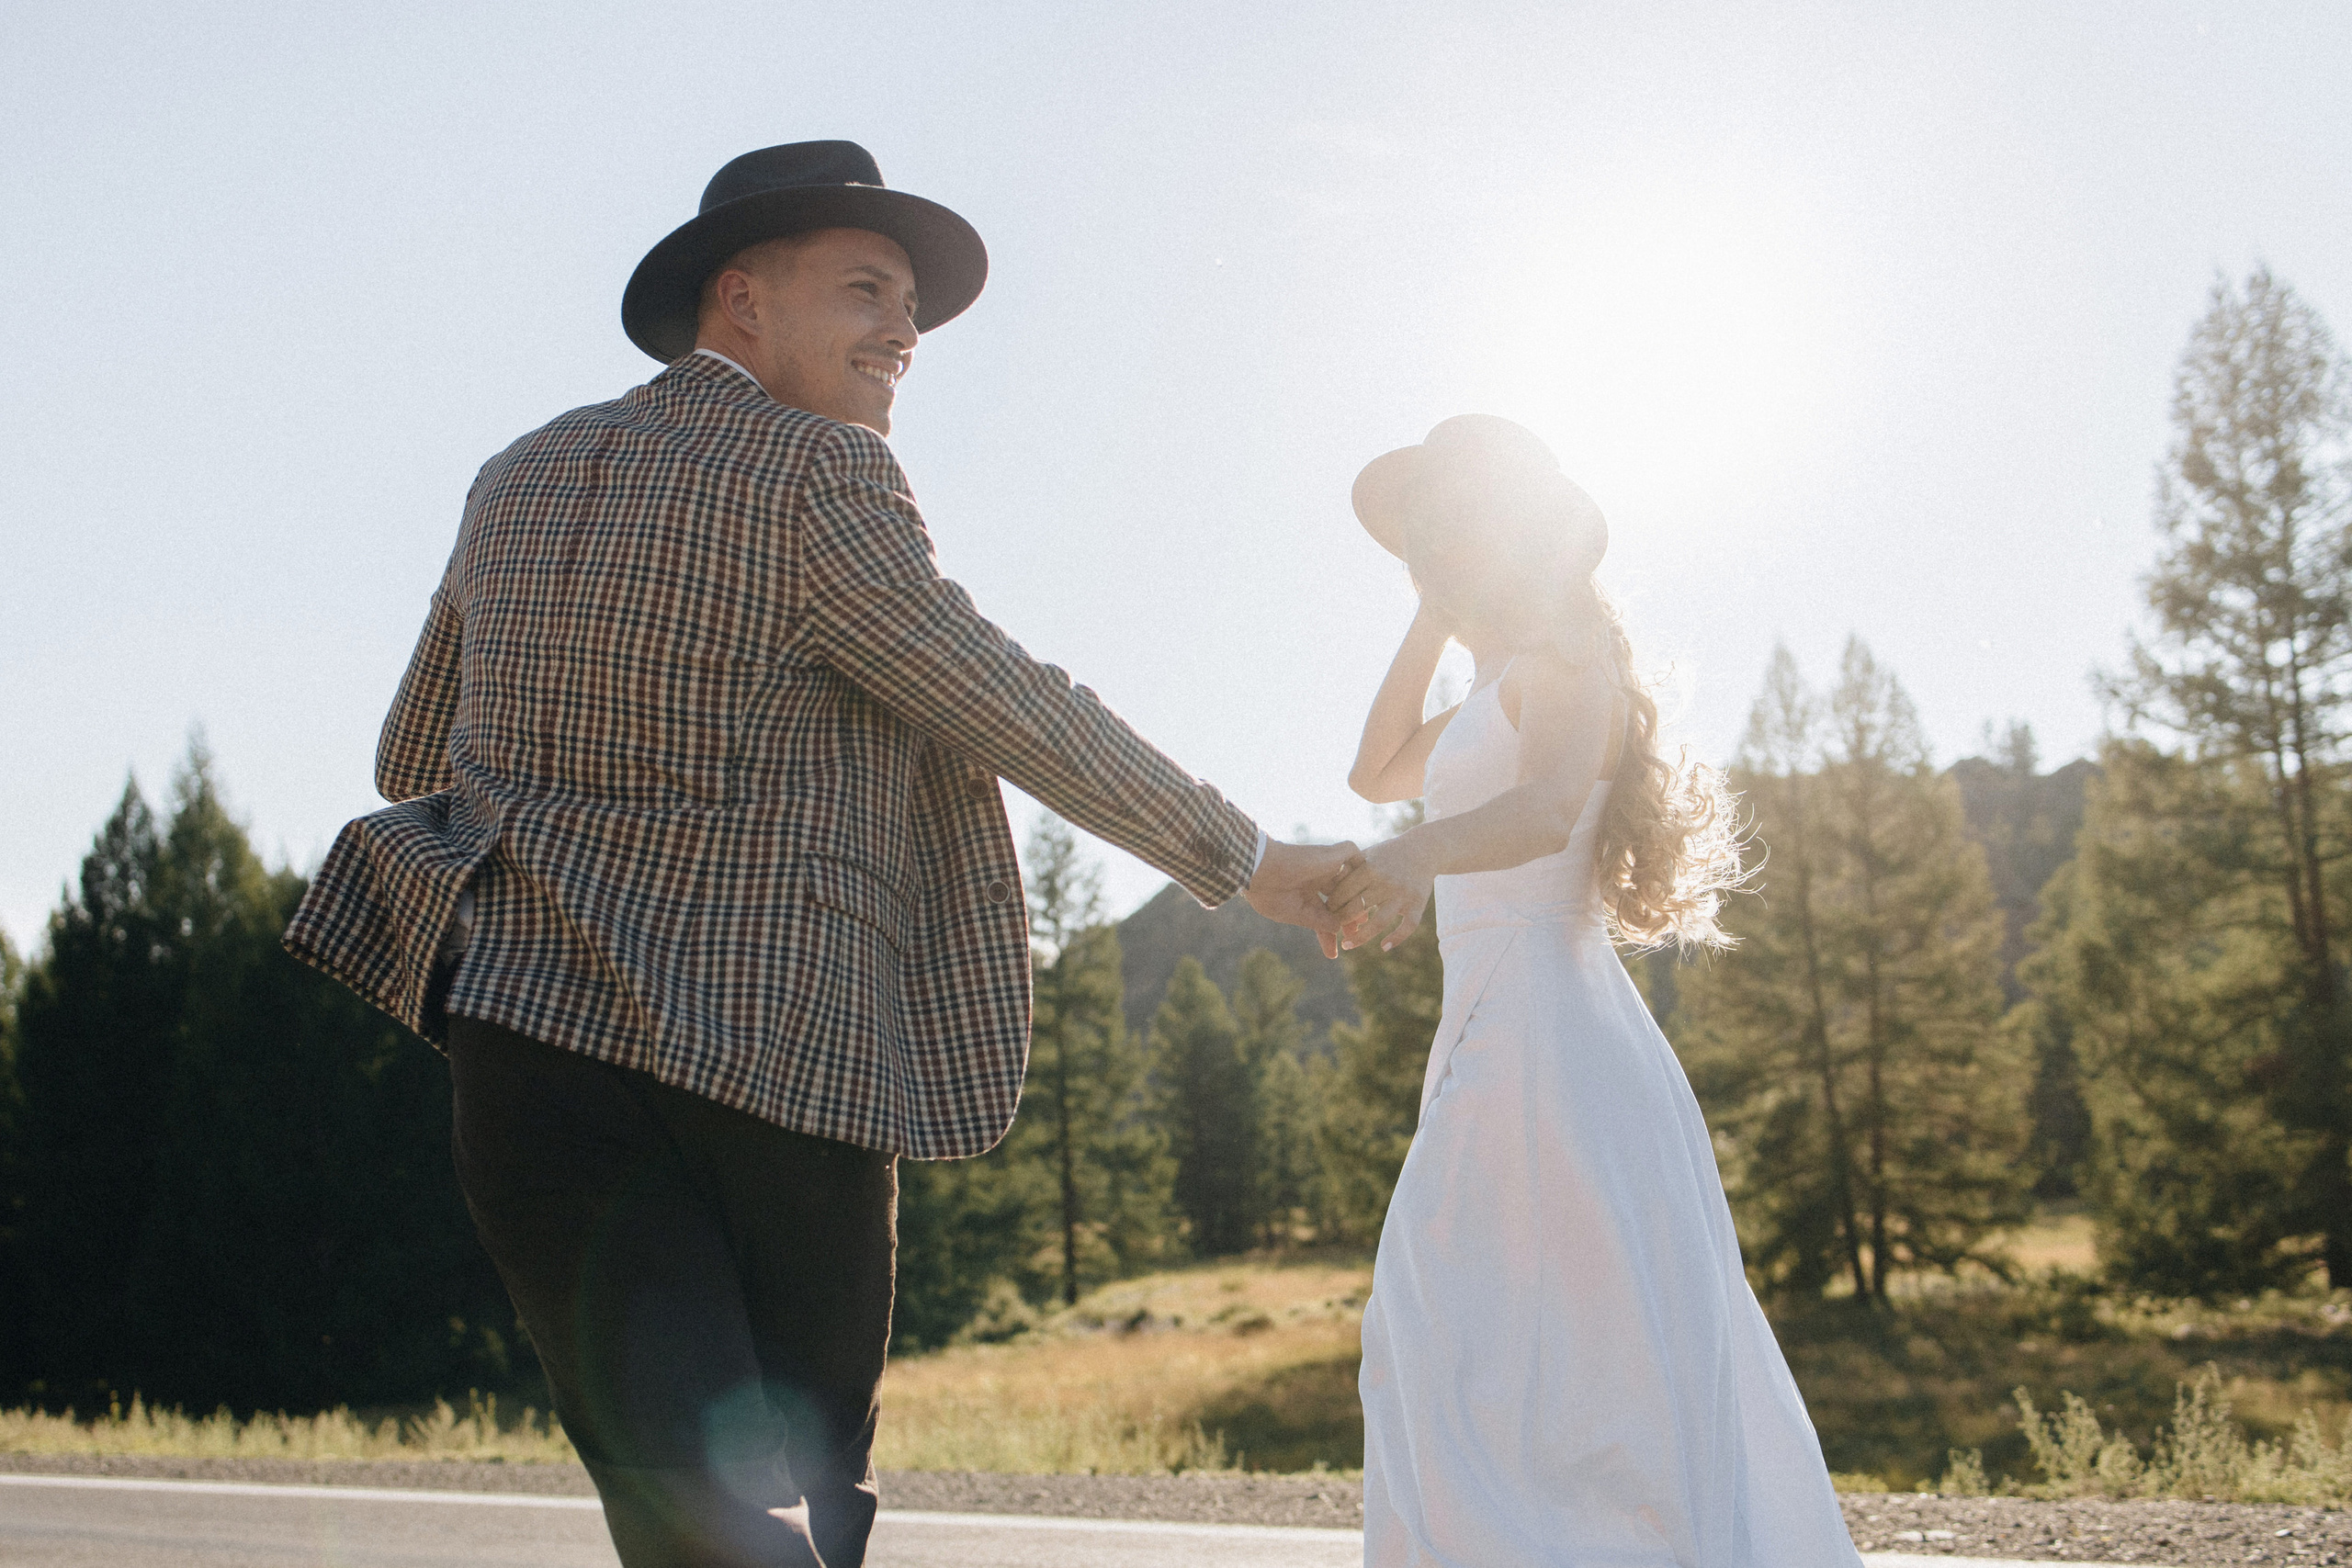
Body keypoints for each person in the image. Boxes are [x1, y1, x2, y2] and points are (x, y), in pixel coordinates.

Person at [282, 141, 1352, 1568]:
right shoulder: (818, 470)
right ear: (743, 296)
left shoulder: (512, 477)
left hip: (525, 1057)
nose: (905, 330)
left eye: (908, 303)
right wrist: (1249, 860)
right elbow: (1008, 698)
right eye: (867, 289)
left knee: (683, 1502)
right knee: (805, 1481)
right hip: (777, 1060)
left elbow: (413, 752)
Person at [1326, 415, 1860, 1565]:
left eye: (1447, 524)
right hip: (1491, 1015)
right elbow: (1372, 769)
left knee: (1547, 1338)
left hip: (1548, 1030)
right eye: (1420, 534)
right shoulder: (1492, 682)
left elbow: (1546, 807)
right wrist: (1430, 612)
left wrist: (1415, 856)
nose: (1430, 547)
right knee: (1448, 1322)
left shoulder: (1567, 660)